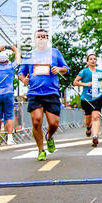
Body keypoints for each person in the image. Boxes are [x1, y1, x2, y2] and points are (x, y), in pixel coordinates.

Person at [18, 30, 69, 161]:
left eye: (44, 37)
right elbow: (21, 73)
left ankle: (49, 136)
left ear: (47, 39)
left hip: (51, 92)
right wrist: (23, 80)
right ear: (34, 40)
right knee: (36, 121)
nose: (41, 38)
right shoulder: (29, 55)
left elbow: (66, 68)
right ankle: (41, 150)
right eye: (38, 37)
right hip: (34, 93)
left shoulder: (55, 52)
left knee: (54, 123)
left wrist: (58, 69)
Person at [0, 44, 20, 146]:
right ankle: (10, 139)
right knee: (9, 116)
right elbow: (17, 60)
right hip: (8, 93)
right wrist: (15, 50)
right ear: (7, 61)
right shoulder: (10, 67)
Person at [74, 54, 102, 147]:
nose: (93, 60)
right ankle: (88, 128)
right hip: (86, 98)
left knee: (95, 117)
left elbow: (100, 84)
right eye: (91, 59)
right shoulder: (84, 72)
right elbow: (75, 82)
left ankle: (95, 136)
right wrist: (86, 84)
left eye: (95, 59)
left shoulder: (99, 72)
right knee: (88, 119)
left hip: (97, 97)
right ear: (88, 61)